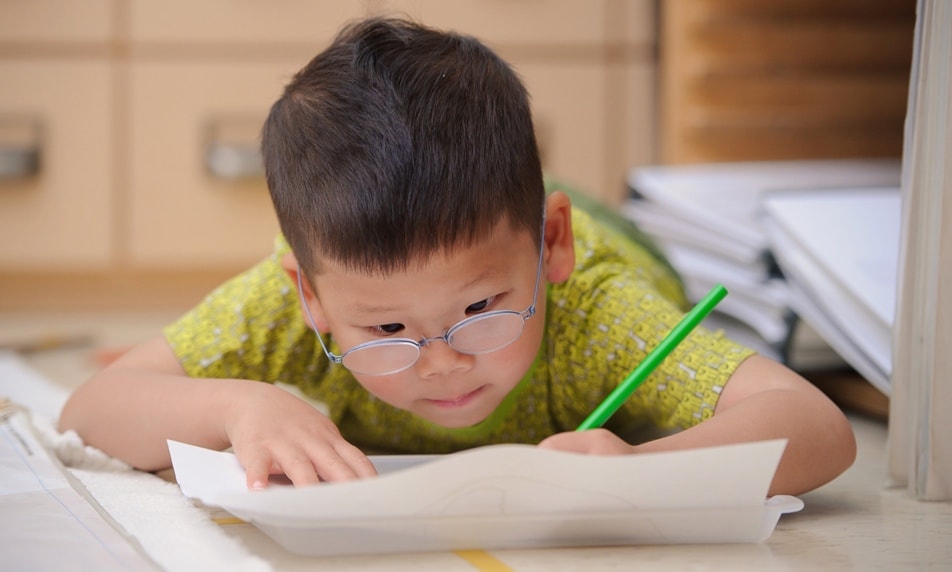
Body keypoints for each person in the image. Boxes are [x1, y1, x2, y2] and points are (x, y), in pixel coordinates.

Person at [58, 17, 855, 495]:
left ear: (551, 248)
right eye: (386, 329)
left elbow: (816, 426)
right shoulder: (293, 298)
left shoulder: (594, 312)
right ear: (309, 295)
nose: (441, 365)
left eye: (478, 312)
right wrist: (235, 406)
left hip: (610, 235)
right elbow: (90, 410)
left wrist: (639, 472)